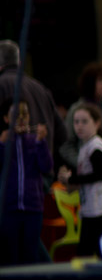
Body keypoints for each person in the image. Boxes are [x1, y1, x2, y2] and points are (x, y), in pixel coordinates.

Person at [57, 102, 102, 257]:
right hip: (91, 209)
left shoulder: (96, 146)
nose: (79, 126)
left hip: (100, 210)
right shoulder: (86, 146)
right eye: (76, 122)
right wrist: (69, 181)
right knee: (90, 253)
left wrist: (72, 178)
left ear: (96, 123)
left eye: (84, 122)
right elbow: (85, 180)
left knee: (92, 253)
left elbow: (99, 174)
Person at [0, 40, 66, 173]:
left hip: (12, 179)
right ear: (19, 63)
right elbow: (62, 134)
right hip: (42, 174)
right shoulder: (41, 88)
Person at [0, 100, 51, 265]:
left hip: (33, 208)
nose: (21, 119)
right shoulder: (4, 141)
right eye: (16, 115)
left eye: (25, 114)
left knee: (31, 255)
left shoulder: (34, 140)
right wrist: (1, 145)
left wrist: (41, 142)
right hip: (9, 209)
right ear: (6, 119)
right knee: (11, 255)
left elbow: (46, 167)